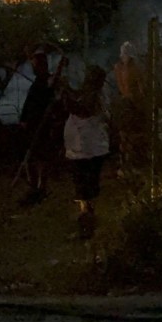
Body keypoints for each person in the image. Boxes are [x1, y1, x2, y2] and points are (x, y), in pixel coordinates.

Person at [62, 64, 110, 240]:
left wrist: (67, 98)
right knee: (83, 183)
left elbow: (83, 110)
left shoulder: (97, 97)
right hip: (81, 148)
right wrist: (66, 88)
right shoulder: (88, 93)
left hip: (89, 149)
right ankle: (87, 214)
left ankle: (88, 219)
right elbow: (78, 96)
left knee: (86, 183)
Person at [18, 51, 66, 205]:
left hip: (42, 124)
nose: (34, 67)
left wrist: (60, 67)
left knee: (42, 156)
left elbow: (49, 93)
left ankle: (41, 186)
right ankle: (34, 186)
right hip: (32, 125)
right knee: (30, 157)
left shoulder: (47, 81)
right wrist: (24, 118)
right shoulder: (37, 82)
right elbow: (29, 102)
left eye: (36, 65)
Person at [112, 41, 146, 173]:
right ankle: (132, 164)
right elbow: (140, 87)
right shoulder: (133, 68)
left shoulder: (120, 68)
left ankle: (127, 164)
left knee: (126, 135)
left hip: (126, 103)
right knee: (131, 135)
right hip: (132, 104)